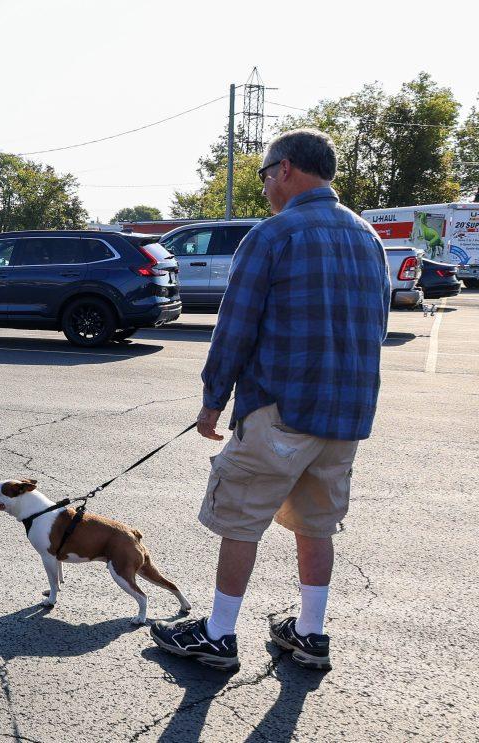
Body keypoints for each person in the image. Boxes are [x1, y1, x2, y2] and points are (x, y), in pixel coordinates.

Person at [150, 129, 391, 672]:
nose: (263, 186)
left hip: (281, 407)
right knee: (317, 523)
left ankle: (217, 634)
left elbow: (235, 326)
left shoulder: (273, 235)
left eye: (263, 174)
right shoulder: (367, 236)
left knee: (241, 516)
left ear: (284, 169)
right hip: (347, 413)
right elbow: (376, 326)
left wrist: (213, 399)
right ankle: (310, 633)